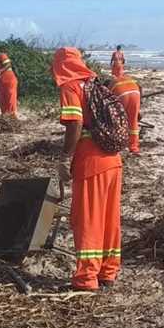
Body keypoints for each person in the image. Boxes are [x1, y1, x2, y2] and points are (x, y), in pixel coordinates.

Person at [52, 47, 123, 291]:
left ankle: (86, 278)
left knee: (88, 219)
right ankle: (108, 272)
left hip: (91, 162)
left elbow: (75, 124)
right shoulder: (95, 84)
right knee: (109, 219)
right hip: (113, 160)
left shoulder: (71, 87)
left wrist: (64, 157)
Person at [109, 68, 142, 154]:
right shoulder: (127, 78)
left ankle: (119, 142)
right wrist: (138, 110)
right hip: (136, 91)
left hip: (122, 94)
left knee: (118, 119)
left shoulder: (110, 85)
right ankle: (134, 147)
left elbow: (108, 102)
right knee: (133, 120)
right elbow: (140, 87)